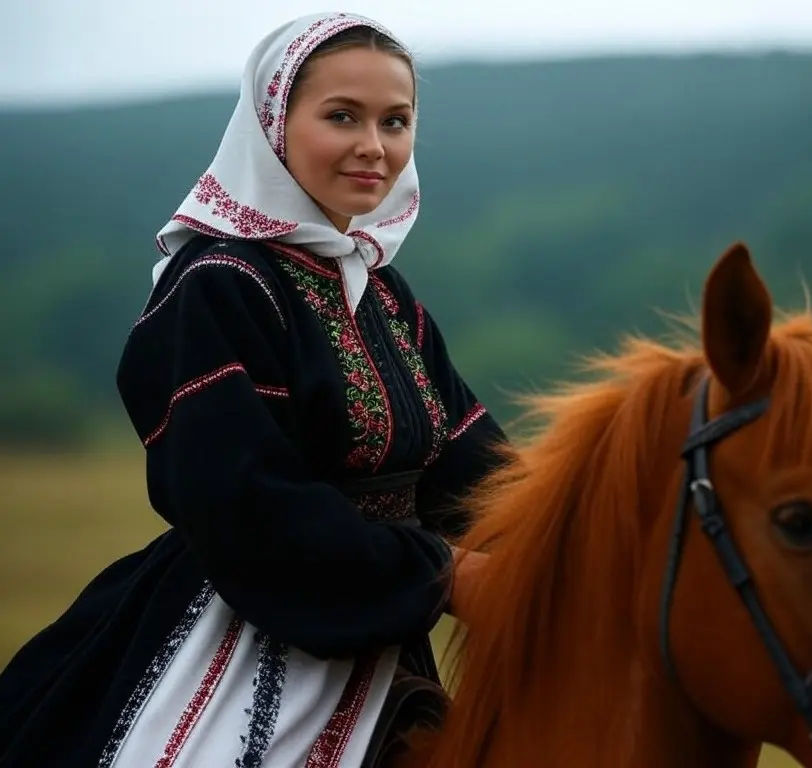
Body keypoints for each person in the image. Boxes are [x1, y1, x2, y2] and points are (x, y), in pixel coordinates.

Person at [0, 12, 506, 768]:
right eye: (343, 116)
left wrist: (591, 523)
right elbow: (245, 502)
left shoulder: (385, 295)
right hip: (247, 634)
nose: (374, 144)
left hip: (387, 637)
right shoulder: (219, 284)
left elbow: (471, 464)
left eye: (395, 121)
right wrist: (447, 573)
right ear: (272, 124)